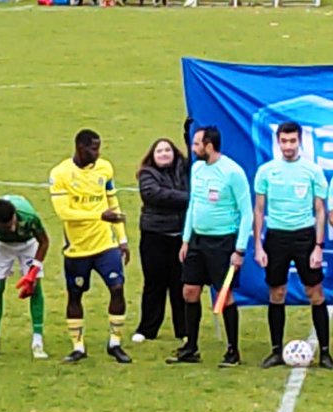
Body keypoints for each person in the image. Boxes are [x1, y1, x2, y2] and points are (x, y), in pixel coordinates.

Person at [167, 126, 252, 366]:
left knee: (224, 296)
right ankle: (191, 347)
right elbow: (193, 204)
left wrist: (239, 250)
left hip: (223, 242)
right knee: (189, 291)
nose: (193, 150)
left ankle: (233, 350)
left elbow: (246, 213)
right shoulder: (197, 169)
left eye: (196, 144)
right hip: (197, 241)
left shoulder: (233, 172)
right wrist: (186, 239)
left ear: (209, 146)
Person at [48, 129, 132, 364]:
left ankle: (115, 343)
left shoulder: (105, 168)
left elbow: (112, 201)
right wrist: (100, 216)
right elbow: (64, 213)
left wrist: (122, 239)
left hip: (106, 245)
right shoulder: (61, 173)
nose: (97, 153)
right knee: (75, 295)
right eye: (93, 148)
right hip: (77, 248)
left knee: (117, 288)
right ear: (79, 147)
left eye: (99, 147)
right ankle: (78, 347)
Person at [253, 122, 331, 369]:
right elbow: (259, 210)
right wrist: (258, 245)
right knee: (277, 293)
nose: (288, 146)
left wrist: (318, 246)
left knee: (314, 293)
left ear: (300, 141)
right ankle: (276, 350)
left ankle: (326, 353)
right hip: (276, 237)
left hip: (305, 237)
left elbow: (320, 211)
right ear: (278, 142)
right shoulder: (266, 171)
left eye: (292, 141)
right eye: (284, 141)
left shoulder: (312, 171)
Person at [0, 196, 50, 359]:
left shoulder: (29, 216)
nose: (12, 228)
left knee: (34, 286)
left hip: (28, 244)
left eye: (12, 223)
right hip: (1, 245)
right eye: (7, 227)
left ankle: (38, 340)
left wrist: (33, 271)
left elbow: (44, 242)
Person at [133, 138, 189, 345]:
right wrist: (188, 198)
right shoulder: (147, 174)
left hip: (180, 237)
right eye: (159, 151)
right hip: (154, 237)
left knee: (179, 284)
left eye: (168, 150)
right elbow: (155, 195)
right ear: (152, 155)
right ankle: (147, 329)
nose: (164, 154)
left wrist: (188, 134)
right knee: (154, 284)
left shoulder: (183, 170)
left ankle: (183, 329)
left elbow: (196, 155)